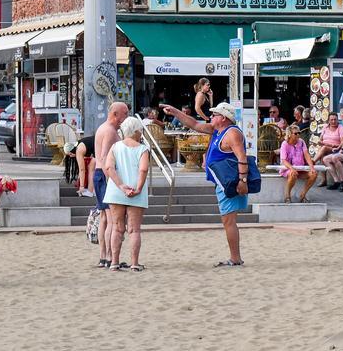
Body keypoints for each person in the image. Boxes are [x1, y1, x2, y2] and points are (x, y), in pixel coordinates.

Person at [162, 102, 249, 267]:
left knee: (228, 221)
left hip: (230, 183)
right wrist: (175, 111)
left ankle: (235, 258)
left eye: (215, 114)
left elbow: (242, 157)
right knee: (229, 221)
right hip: (224, 181)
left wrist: (243, 181)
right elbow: (194, 124)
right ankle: (235, 257)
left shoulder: (231, 133)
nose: (211, 117)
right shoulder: (218, 130)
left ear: (223, 118)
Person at [103, 116, 150, 272]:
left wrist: (121, 186)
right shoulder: (142, 149)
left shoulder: (115, 147)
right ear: (137, 131)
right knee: (134, 229)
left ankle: (114, 262)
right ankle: (134, 263)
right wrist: (138, 187)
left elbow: (109, 167)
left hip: (116, 192)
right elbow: (143, 169)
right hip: (136, 192)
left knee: (117, 227)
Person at [93, 101, 129, 268]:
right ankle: (108, 257)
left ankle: (103, 256)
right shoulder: (109, 130)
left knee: (103, 218)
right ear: (115, 114)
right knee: (110, 218)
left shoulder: (104, 128)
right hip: (105, 175)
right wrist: (114, 180)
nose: (126, 118)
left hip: (100, 175)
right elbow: (103, 157)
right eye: (125, 114)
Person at [280, 124, 318, 203]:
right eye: (296, 133)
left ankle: (303, 195)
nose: (298, 135)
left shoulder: (301, 142)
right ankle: (287, 196)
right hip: (288, 168)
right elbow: (284, 160)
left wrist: (311, 167)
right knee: (293, 173)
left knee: (314, 174)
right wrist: (292, 168)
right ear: (289, 134)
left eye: (299, 133)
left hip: (301, 168)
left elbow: (306, 155)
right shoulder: (285, 144)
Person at [312, 112, 343, 186]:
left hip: (335, 148)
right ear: (328, 120)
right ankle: (324, 179)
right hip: (325, 148)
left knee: (323, 148)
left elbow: (342, 143)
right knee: (322, 156)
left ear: (337, 120)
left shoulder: (341, 128)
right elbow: (320, 140)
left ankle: (313, 162)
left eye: (335, 119)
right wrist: (319, 142)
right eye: (331, 120)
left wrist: (328, 144)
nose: (333, 121)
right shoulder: (325, 127)